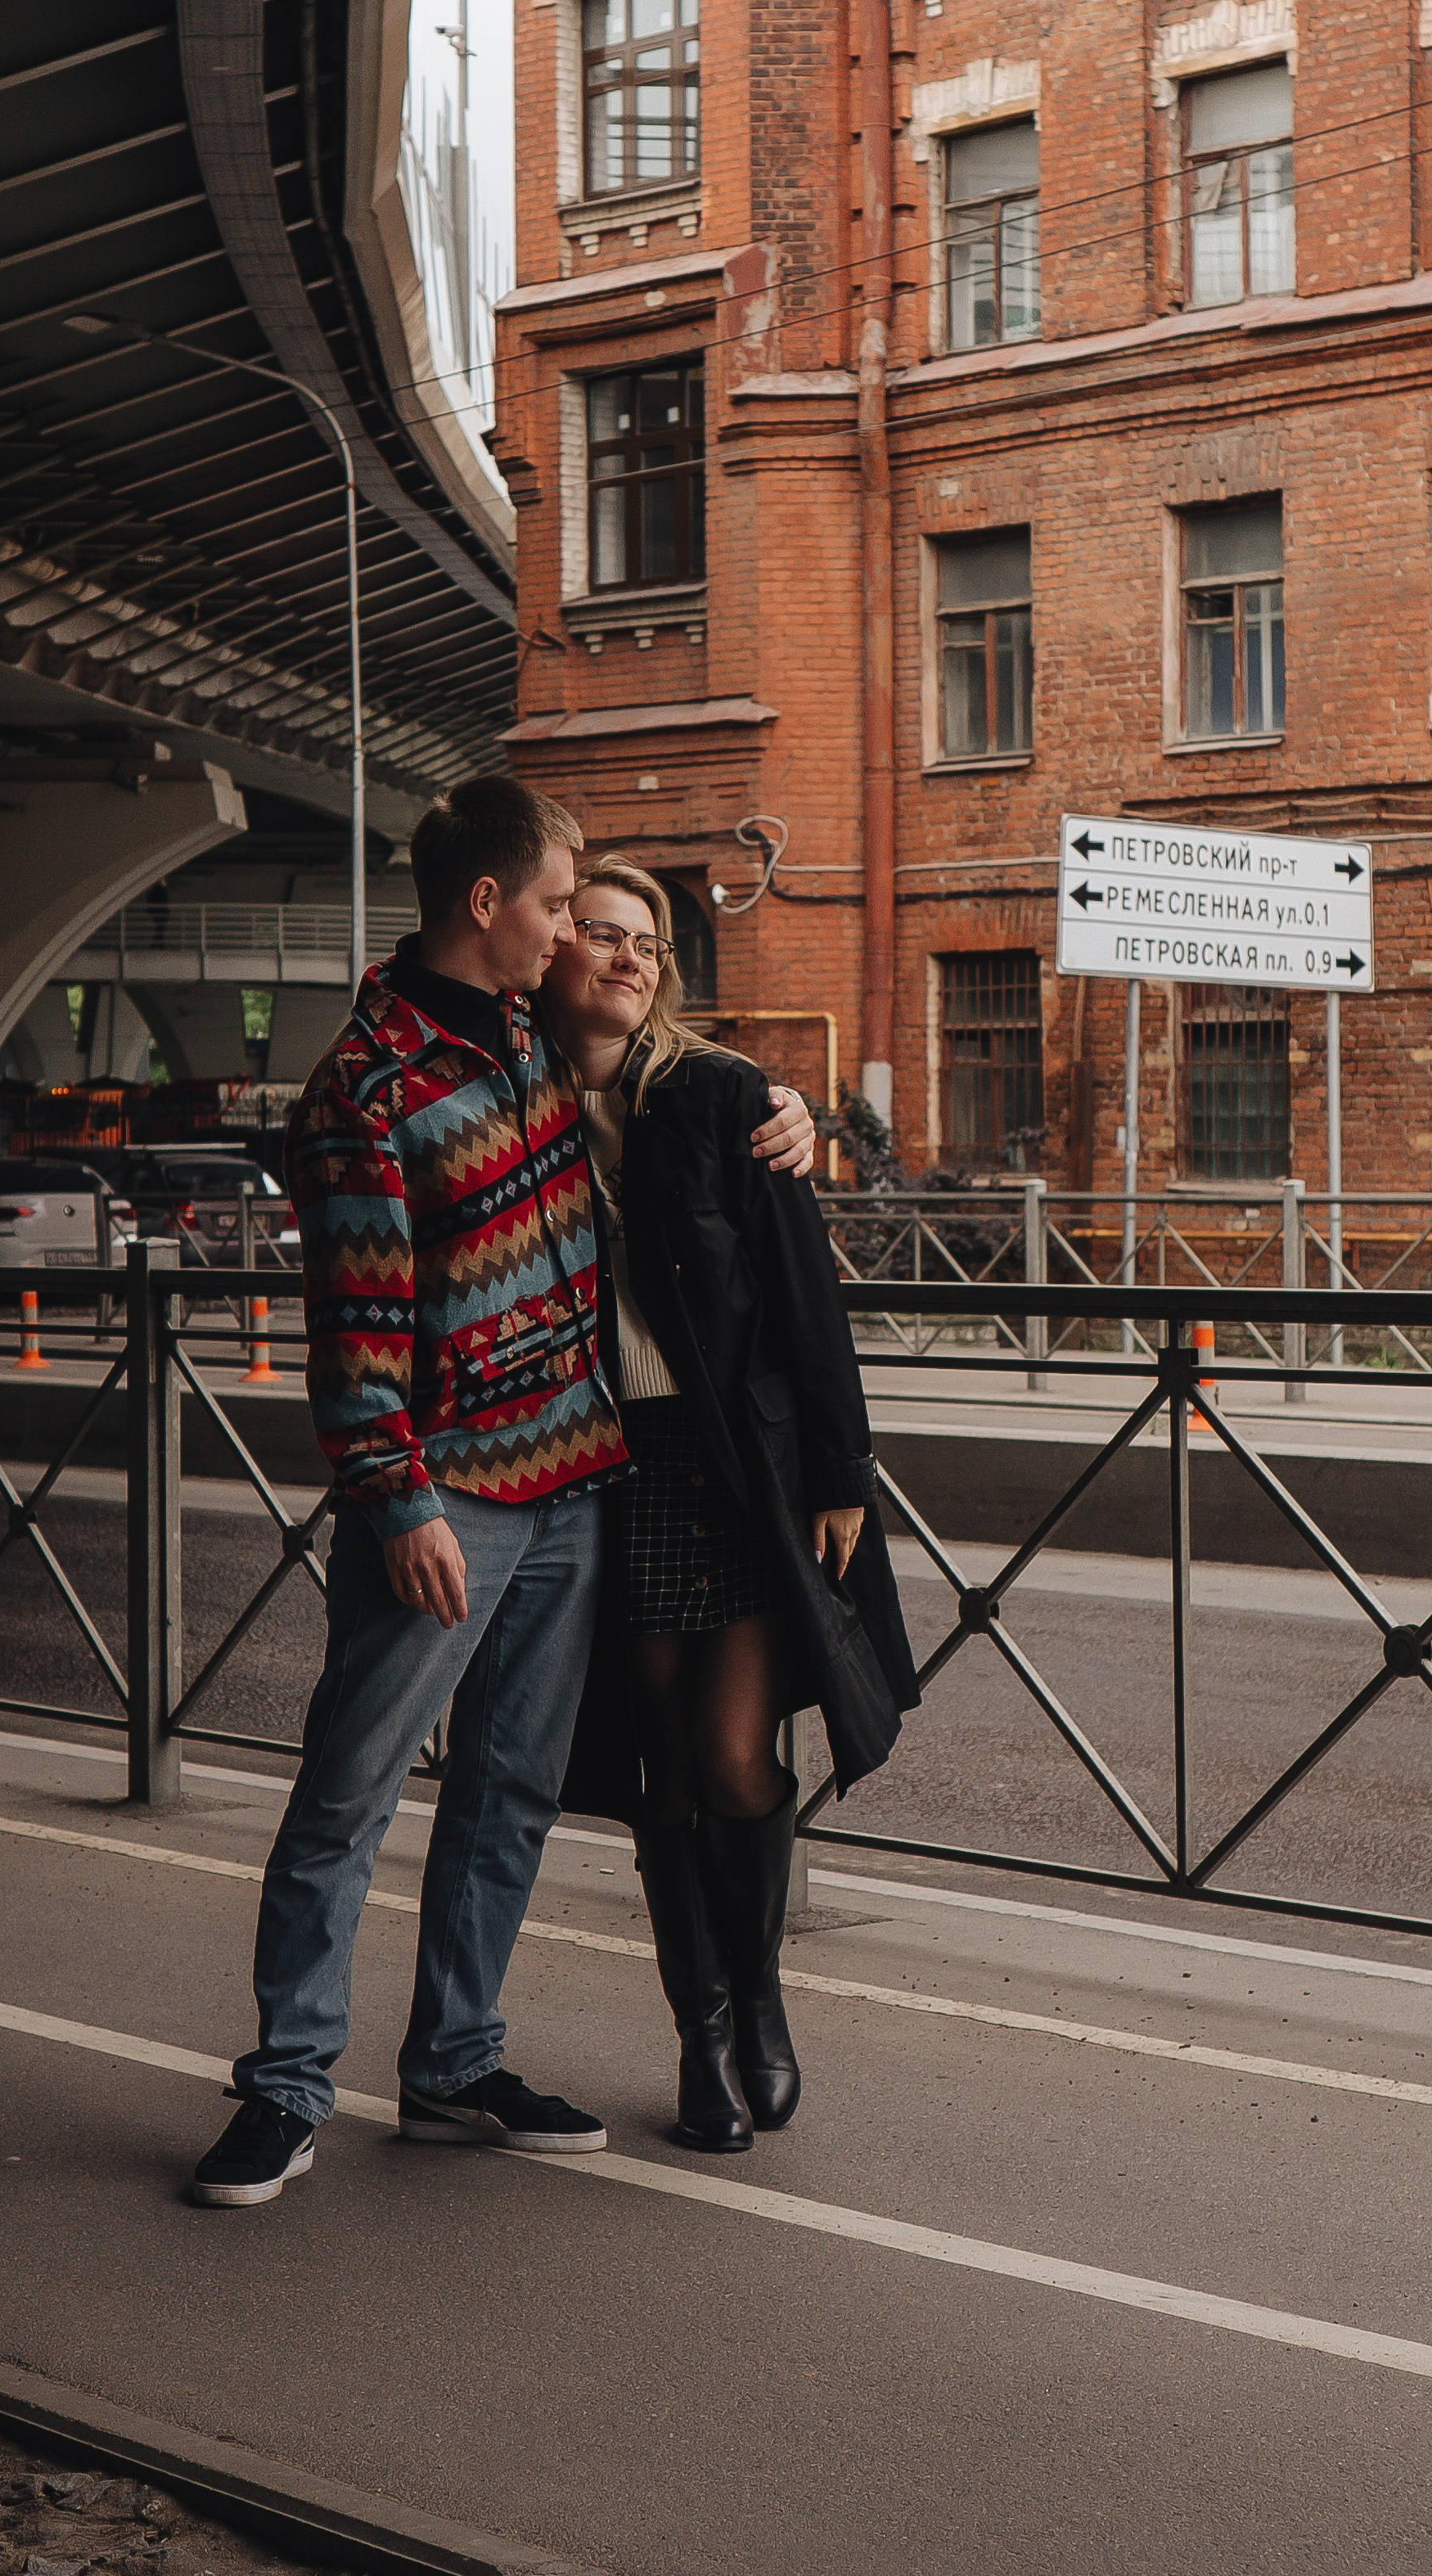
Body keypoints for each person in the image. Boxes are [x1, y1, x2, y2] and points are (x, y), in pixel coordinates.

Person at [189, 780, 816, 2207]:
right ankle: (286, 2085)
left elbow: (661, 1065)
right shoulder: (366, 1090)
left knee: (510, 1794)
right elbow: (352, 1330)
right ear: (490, 906)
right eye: (556, 902)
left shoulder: (536, 1036)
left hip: (578, 1487)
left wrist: (781, 1108)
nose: (573, 931)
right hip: (446, 1505)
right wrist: (395, 1501)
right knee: (347, 1793)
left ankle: (453, 2067)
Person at [545, 857, 919, 2153]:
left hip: (739, 1470)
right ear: (548, 949)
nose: (630, 956)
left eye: (648, 940)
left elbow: (803, 1296)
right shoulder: (515, 1101)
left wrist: (841, 1472)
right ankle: (698, 2033)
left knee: (731, 1755)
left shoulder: (717, 1099)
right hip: (606, 1470)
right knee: (661, 1775)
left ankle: (760, 1997)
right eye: (598, 931)